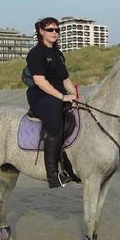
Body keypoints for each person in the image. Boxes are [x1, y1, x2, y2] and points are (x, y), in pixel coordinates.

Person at [26, 17, 78, 188]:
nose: (54, 32)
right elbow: (40, 81)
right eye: (50, 30)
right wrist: (63, 98)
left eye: (57, 30)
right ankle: (53, 176)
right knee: (55, 126)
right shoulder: (35, 53)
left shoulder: (58, 54)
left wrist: (75, 96)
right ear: (41, 31)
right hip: (40, 96)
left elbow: (66, 80)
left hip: (59, 93)